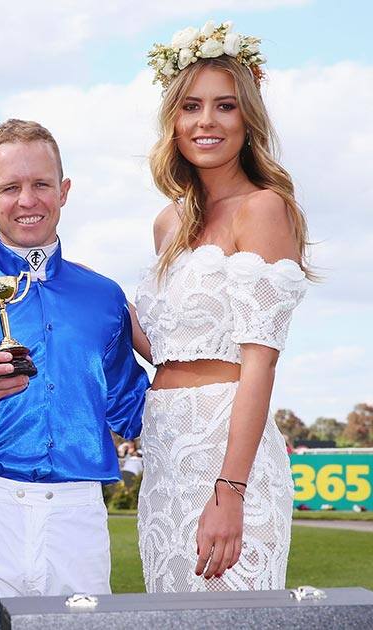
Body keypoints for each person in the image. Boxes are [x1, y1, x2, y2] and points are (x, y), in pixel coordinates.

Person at [0, 119, 149, 629]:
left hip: (78, 514)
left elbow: (136, 410)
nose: (27, 200)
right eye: (10, 187)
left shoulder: (104, 298)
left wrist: (198, 370)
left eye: (40, 184)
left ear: (64, 190)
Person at [133, 21, 310, 592]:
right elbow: (167, 349)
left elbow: (259, 362)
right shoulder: (168, 223)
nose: (206, 121)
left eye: (225, 106)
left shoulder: (263, 209)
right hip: (164, 453)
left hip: (226, 454)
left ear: (247, 119)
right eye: (191, 106)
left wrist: (229, 492)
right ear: (173, 121)